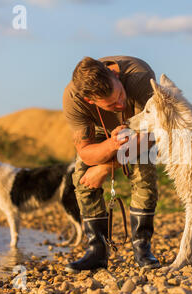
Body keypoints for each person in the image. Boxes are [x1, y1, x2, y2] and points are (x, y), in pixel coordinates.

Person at [62, 55, 160, 272]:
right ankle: (97, 251)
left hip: (141, 128)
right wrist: (113, 144)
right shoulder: (73, 98)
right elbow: (86, 152)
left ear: (115, 76)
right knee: (82, 178)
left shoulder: (140, 76)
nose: (120, 103)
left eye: (120, 94)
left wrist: (105, 167)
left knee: (143, 172)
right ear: (90, 101)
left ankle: (142, 248)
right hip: (101, 131)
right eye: (111, 103)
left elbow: (154, 133)